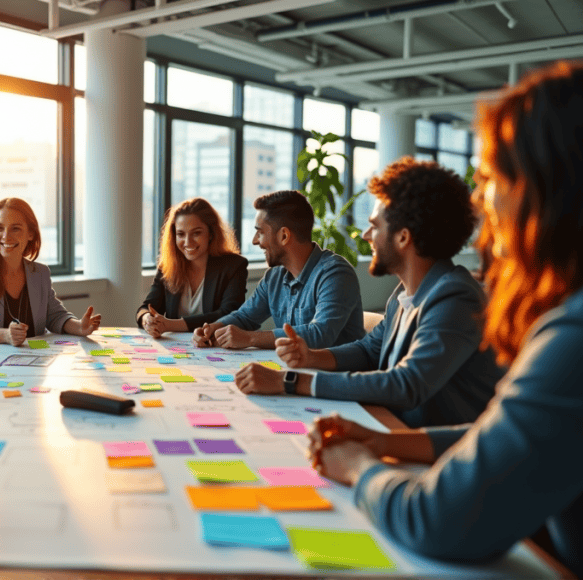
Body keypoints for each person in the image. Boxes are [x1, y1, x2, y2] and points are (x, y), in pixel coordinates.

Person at [305, 61, 583, 576]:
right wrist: (386, 442)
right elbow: (500, 434)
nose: (483, 200)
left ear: (547, 186)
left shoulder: (572, 333)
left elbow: (437, 520)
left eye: (494, 177)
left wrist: (359, 466)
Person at [239, 159, 503, 428]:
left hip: (433, 452)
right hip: (393, 428)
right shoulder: (405, 293)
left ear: (402, 237)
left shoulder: (455, 298)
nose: (366, 235)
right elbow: (369, 350)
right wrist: (312, 357)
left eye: (375, 226)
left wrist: (292, 381)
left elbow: (405, 384)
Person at [193, 190, 364, 350]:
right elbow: (244, 317)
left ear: (284, 236)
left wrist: (249, 338)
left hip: (333, 378)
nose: (254, 241)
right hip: (296, 371)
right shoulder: (274, 277)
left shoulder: (335, 274)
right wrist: (214, 328)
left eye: (259, 233)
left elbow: (320, 334)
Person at [0, 197, 101, 348]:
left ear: (30, 233)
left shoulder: (40, 273)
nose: (5, 236)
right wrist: (6, 335)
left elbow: (55, 316)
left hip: (30, 363)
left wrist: (79, 327)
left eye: (15, 228)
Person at [136, 197, 248, 338]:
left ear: (211, 233)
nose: (187, 242)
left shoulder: (234, 266)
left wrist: (170, 325)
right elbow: (146, 308)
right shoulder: (168, 266)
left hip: (215, 346)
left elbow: (228, 314)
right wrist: (147, 320)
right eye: (181, 234)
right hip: (176, 349)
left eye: (196, 233)